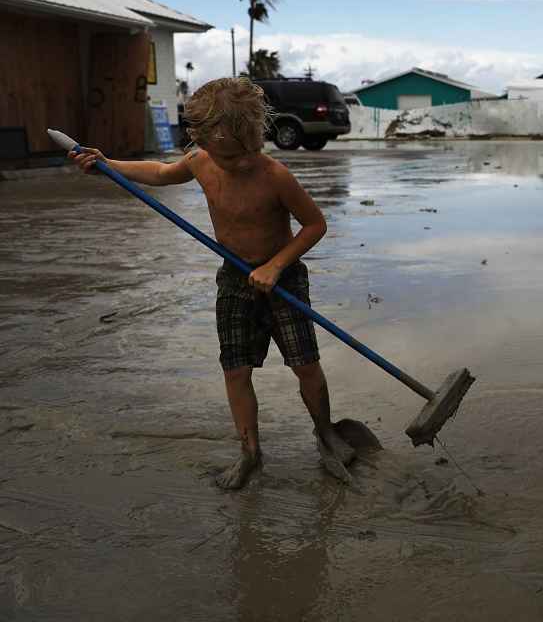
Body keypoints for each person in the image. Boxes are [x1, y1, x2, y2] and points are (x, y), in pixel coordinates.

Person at [70, 76, 355, 490]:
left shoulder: (275, 176)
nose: (229, 164)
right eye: (220, 155)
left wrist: (275, 266)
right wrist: (108, 165)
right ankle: (250, 453)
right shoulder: (203, 160)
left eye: (238, 156)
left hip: (283, 280)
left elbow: (315, 225)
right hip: (235, 280)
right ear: (204, 142)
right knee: (236, 370)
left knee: (305, 365)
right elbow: (160, 172)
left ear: (255, 138)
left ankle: (326, 431)